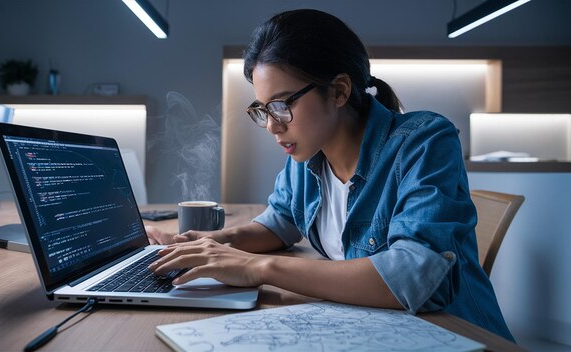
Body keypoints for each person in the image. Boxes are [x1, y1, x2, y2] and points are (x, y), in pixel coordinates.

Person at [146, 9, 514, 341]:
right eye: (263, 108)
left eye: (282, 105)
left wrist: (259, 268)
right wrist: (210, 243)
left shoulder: (424, 141)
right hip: (376, 332)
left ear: (338, 91)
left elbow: (412, 275)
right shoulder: (306, 155)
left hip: (453, 334)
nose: (272, 126)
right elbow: (280, 224)